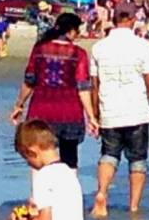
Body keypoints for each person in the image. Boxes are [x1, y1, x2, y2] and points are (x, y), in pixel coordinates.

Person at [89, 5, 149, 216]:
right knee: (137, 159)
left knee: (109, 155)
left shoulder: (99, 47)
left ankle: (102, 192)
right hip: (136, 110)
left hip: (110, 110)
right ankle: (133, 207)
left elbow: (94, 85)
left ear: (113, 19)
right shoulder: (143, 47)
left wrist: (95, 114)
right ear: (133, 19)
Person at [11, 13, 98, 169]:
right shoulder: (78, 54)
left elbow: (30, 81)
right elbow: (83, 88)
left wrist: (19, 105)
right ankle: (70, 192)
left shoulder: (39, 49)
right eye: (77, 31)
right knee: (70, 158)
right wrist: (91, 117)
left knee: (39, 157)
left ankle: (39, 192)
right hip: (70, 112)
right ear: (71, 31)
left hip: (41, 110)